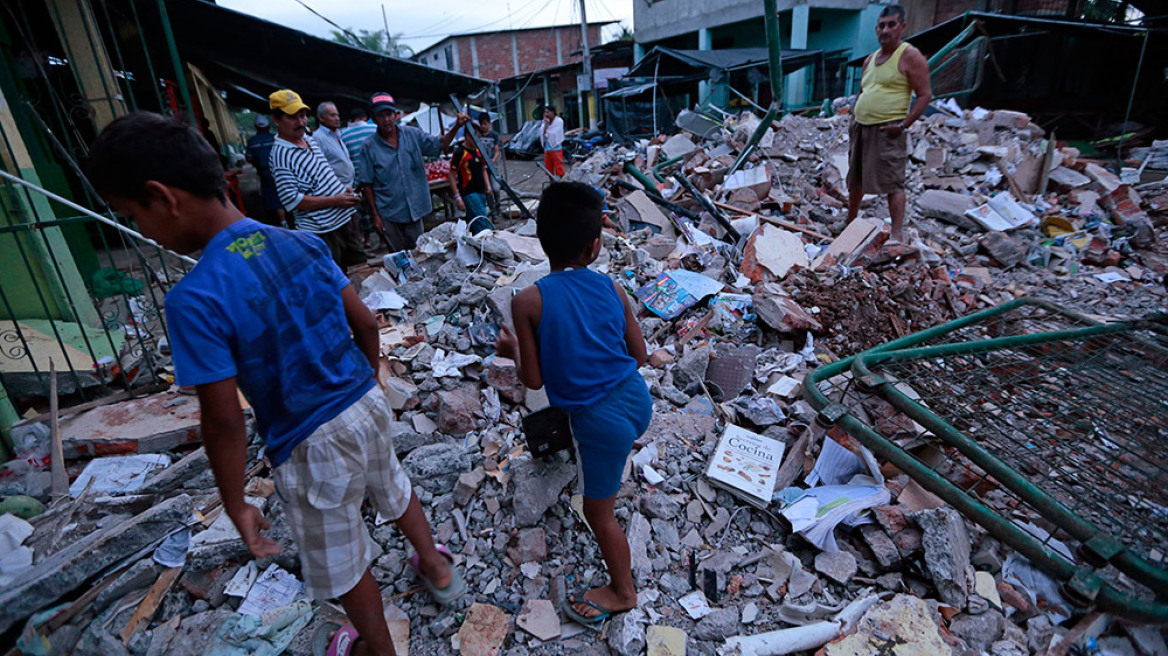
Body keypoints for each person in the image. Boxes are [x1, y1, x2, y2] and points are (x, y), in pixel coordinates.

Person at [86, 111, 466, 656]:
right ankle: (436, 567)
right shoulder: (301, 244)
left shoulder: (194, 298)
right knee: (393, 485)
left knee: (343, 562)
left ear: (162, 197)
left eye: (134, 215)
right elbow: (365, 324)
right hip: (364, 400)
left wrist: (235, 502)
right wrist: (365, 384)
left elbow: (222, 419)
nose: (141, 230)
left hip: (308, 441)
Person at [495, 182, 650, 627]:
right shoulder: (612, 287)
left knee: (598, 513)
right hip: (637, 401)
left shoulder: (527, 301)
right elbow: (639, 356)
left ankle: (622, 591)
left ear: (540, 239)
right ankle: (605, 460)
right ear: (595, 246)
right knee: (596, 430)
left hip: (600, 422)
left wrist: (512, 351)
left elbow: (533, 380)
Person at [846, 4, 931, 242]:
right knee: (855, 179)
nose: (885, 30)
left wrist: (903, 126)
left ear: (902, 27)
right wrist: (853, 117)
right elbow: (862, 91)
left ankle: (896, 234)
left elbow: (925, 95)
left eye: (891, 25)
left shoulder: (910, 56)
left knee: (893, 182)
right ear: (876, 29)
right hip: (861, 127)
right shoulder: (870, 60)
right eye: (881, 26)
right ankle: (849, 221)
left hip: (888, 129)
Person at [356, 92, 468, 252]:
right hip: (388, 212)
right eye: (380, 115)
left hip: (415, 209)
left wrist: (456, 126)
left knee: (419, 253)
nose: (386, 119)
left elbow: (439, 144)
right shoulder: (368, 147)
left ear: (395, 115)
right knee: (398, 257)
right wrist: (375, 215)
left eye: (389, 114)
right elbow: (367, 184)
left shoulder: (412, 134)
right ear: (373, 118)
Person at [267, 89, 365, 268]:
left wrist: (342, 188)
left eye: (302, 115)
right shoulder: (281, 155)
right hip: (322, 231)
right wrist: (335, 200)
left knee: (360, 269)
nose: (300, 122)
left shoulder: (308, 138)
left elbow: (323, 172)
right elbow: (292, 200)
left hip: (344, 220)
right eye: (292, 117)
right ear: (276, 119)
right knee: (335, 277)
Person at [244, 115, 286, 227]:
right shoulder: (276, 138)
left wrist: (258, 161)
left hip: (265, 172)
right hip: (281, 170)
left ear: (256, 127)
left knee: (271, 194)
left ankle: (281, 220)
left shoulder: (252, 141)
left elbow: (249, 158)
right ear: (268, 126)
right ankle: (288, 217)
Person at [448, 127, 492, 225]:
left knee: (474, 220)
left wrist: (488, 186)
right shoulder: (460, 153)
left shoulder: (478, 151)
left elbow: (483, 169)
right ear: (468, 136)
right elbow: (451, 175)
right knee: (482, 220)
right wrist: (457, 197)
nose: (477, 140)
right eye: (475, 137)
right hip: (469, 192)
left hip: (481, 190)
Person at [315, 101, 356, 186]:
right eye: (332, 115)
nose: (337, 118)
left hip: (348, 186)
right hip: (335, 189)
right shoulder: (318, 138)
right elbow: (319, 170)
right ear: (321, 118)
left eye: (337, 115)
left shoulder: (338, 134)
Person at [342, 107, 378, 172]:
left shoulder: (344, 135)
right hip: (376, 172)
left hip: (357, 174)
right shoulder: (375, 129)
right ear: (365, 118)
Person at [541, 104, 565, 178]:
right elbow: (542, 133)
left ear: (553, 112)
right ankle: (552, 183)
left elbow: (554, 133)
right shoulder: (545, 122)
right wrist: (545, 123)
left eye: (548, 112)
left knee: (559, 168)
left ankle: (562, 182)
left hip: (556, 148)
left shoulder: (559, 121)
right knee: (549, 170)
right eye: (545, 112)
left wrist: (547, 133)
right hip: (547, 148)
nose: (546, 114)